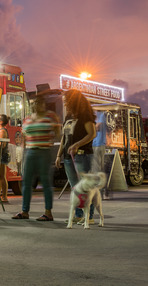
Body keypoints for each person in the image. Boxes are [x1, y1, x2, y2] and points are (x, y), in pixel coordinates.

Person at [13, 92, 60, 221]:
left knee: (45, 181)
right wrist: (22, 151)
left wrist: (52, 138)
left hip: (44, 151)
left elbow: (57, 133)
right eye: (36, 103)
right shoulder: (27, 119)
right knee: (26, 181)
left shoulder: (50, 116)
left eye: (41, 103)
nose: (38, 105)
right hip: (30, 151)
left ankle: (48, 212)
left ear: (44, 104)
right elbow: (23, 136)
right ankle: (24, 211)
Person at [56, 89, 96, 223]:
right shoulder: (68, 117)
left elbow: (92, 134)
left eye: (66, 101)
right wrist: (58, 155)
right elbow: (64, 138)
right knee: (75, 187)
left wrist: (77, 144)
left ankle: (88, 216)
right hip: (68, 157)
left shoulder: (85, 115)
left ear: (73, 101)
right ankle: (79, 215)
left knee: (84, 186)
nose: (65, 104)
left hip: (82, 155)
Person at [0, 114, 11, 203]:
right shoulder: (0, 130)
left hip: (1, 155)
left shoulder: (2, 131)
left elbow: (2, 144)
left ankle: (4, 196)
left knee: (1, 177)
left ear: (1, 122)